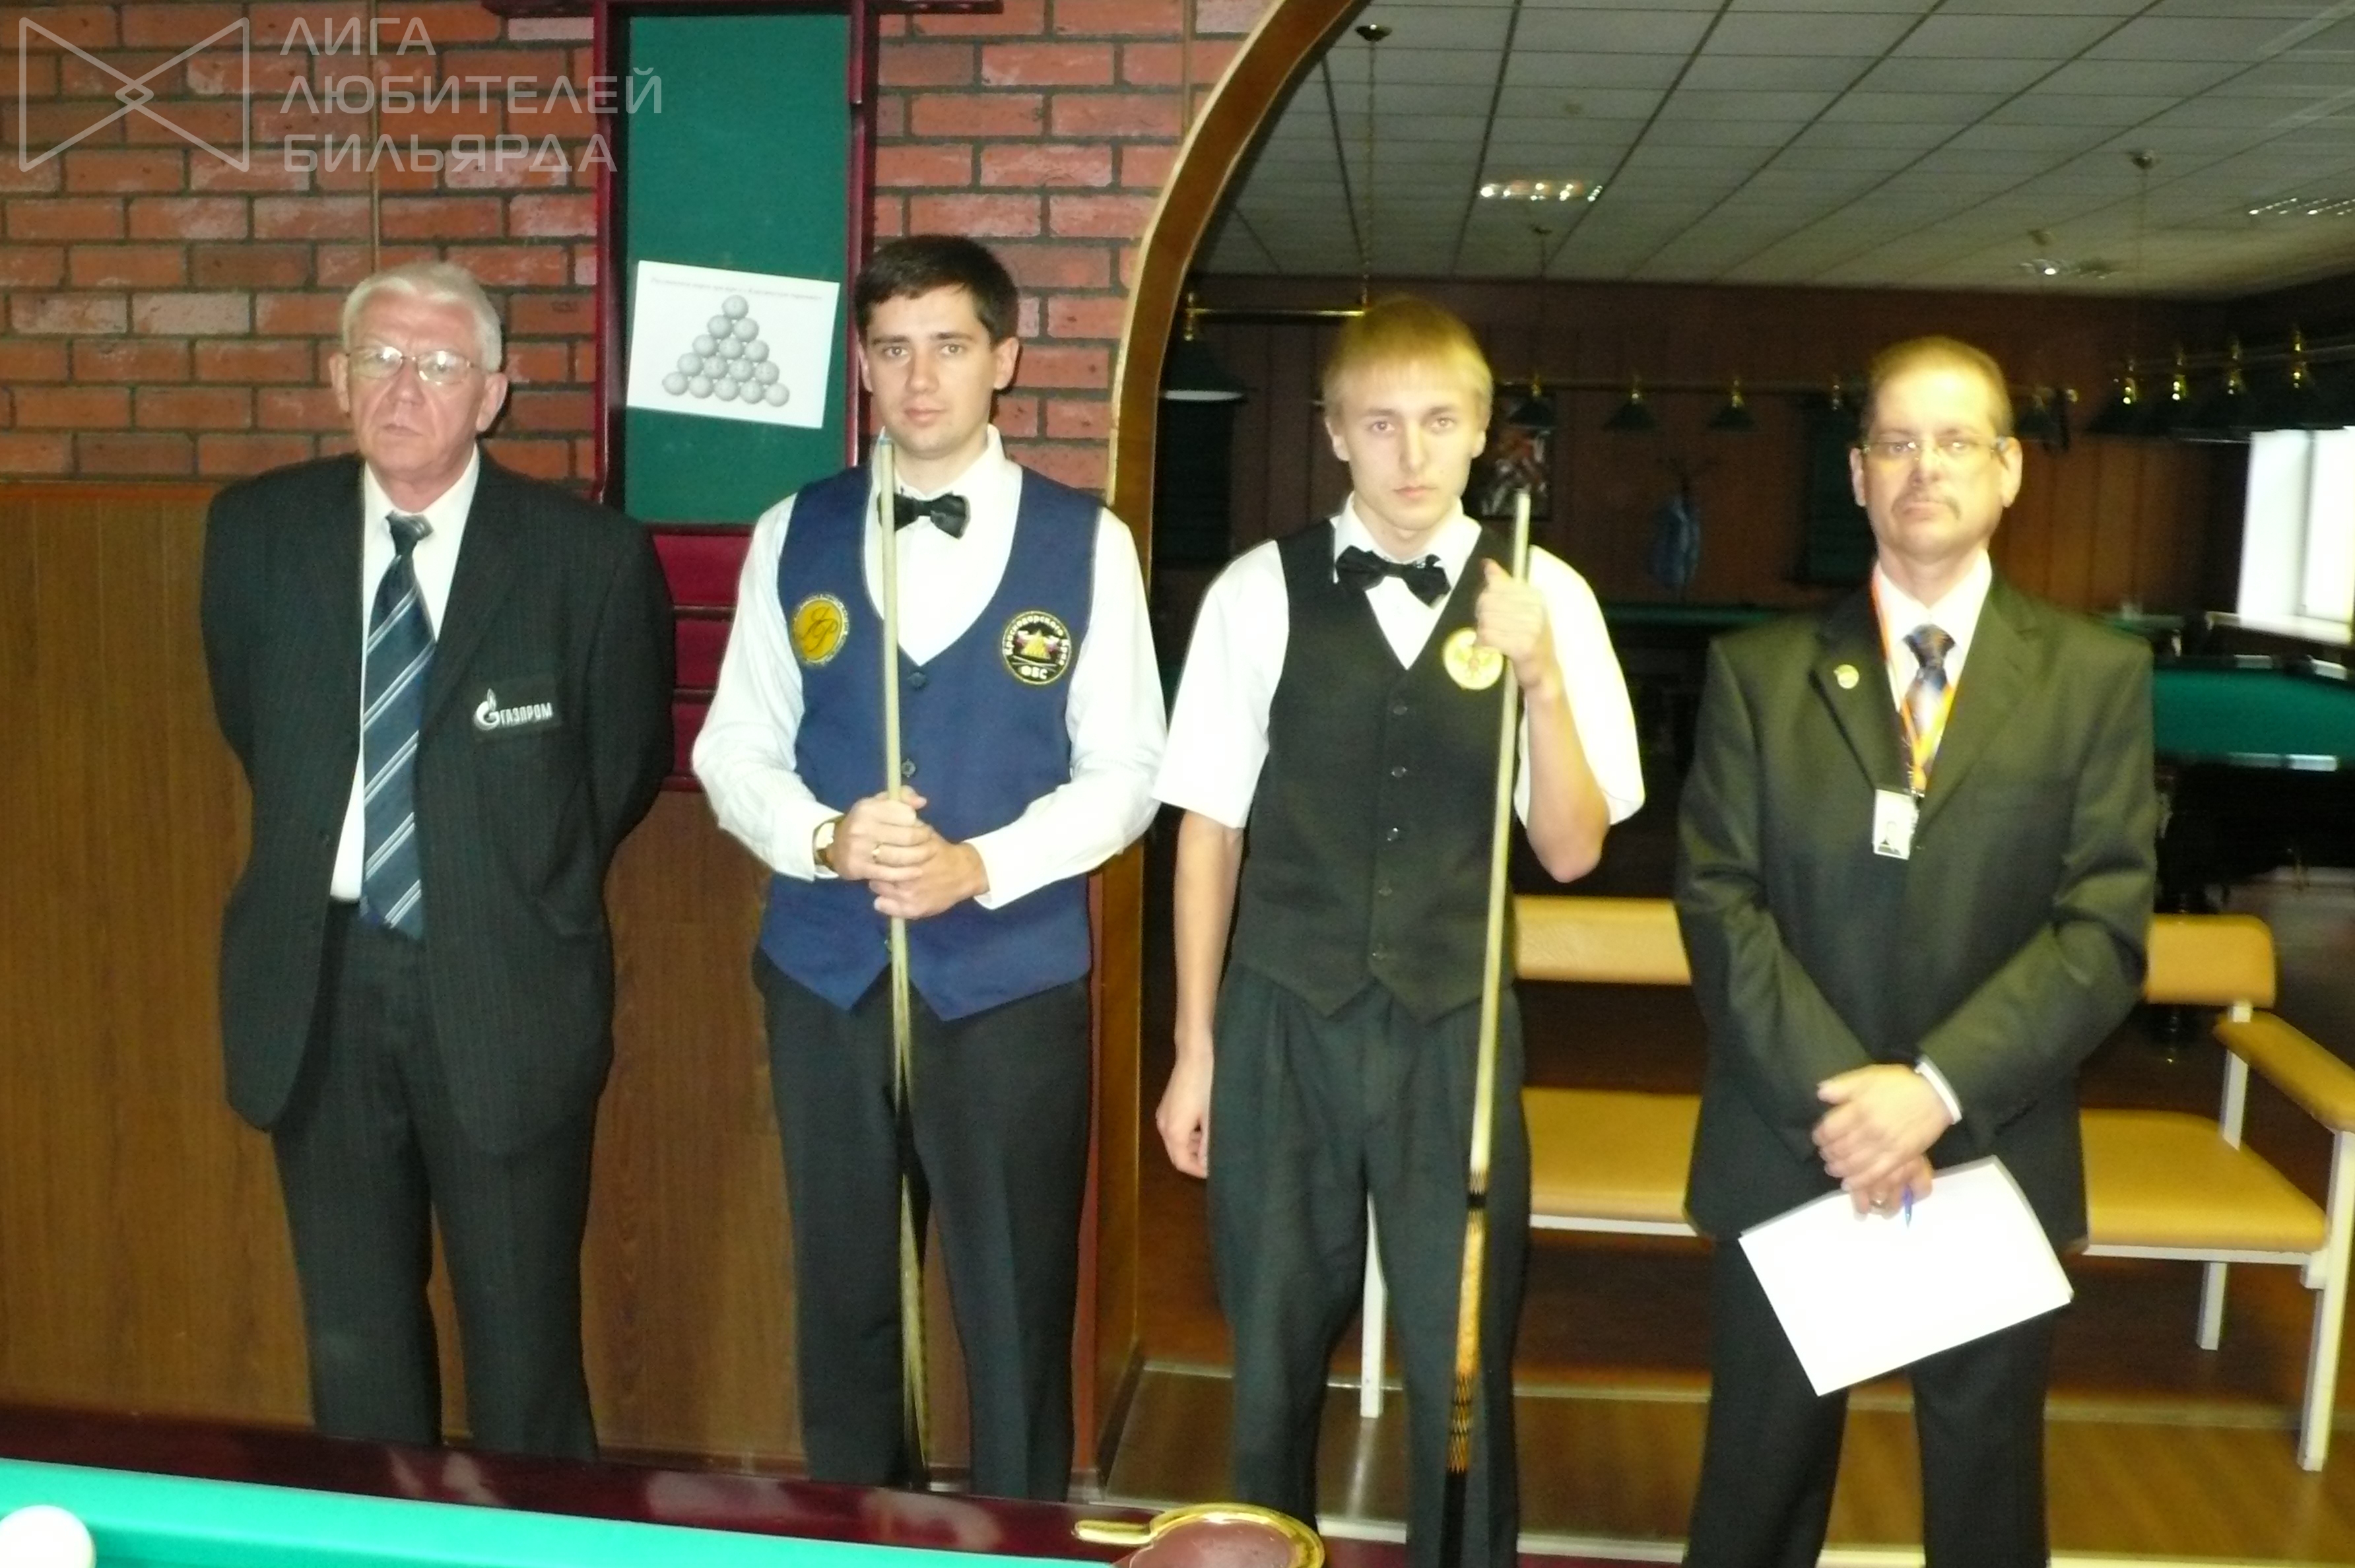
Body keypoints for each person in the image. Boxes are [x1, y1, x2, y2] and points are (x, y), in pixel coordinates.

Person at [1152, 296, 1644, 1568]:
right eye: (1381, 424)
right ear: (1333, 433)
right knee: (1270, 1350)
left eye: (1438, 422)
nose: (1412, 454)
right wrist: (1197, 1049)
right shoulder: (1256, 592)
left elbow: (1573, 850)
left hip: (1454, 1030)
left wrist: (1541, 680)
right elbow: (1208, 834)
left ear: (1483, 432)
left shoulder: (1552, 597)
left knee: (1459, 1350)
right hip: (1282, 1018)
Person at [1675, 335, 2158, 1567]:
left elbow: (2102, 930)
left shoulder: (2095, 678)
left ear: (2010, 470)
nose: (1923, 468)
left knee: (1987, 1508)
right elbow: (1720, 903)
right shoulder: (1757, 675)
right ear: (1857, 474)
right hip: (1793, 1143)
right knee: (1755, 1495)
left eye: (1954, 442)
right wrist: (1848, 1110)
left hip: (1991, 1145)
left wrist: (1932, 1092)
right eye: (1896, 442)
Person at [694, 235, 1164, 1500]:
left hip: (1008, 986)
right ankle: (860, 1529)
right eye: (893, 349)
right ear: (861, 364)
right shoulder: (795, 530)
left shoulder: (1088, 543)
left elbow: (1127, 773)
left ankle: (1019, 1540)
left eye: (949, 346)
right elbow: (733, 744)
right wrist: (823, 838)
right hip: (828, 976)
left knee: (1013, 1310)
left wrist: (981, 865)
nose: (919, 379)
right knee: (847, 1299)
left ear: (1004, 359)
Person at [199, 259, 676, 1458]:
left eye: (439, 364)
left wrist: (489, 872)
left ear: (493, 394)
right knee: (353, 1347)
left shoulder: (588, 558)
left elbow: (616, 771)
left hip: (505, 985)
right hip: (317, 983)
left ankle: (537, 1541)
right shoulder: (257, 533)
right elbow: (254, 724)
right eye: (378, 358)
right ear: (337, 377)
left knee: (524, 1350)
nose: (402, 387)